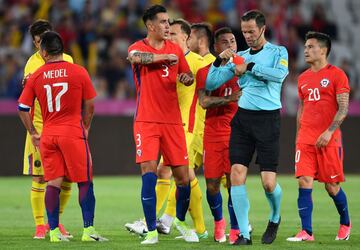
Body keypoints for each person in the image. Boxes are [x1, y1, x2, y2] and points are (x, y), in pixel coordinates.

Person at [206, 10, 289, 245]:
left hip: (268, 120)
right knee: (236, 174)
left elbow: (280, 75)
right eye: (244, 32)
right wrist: (219, 60)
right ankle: (243, 234)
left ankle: (274, 218)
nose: (248, 36)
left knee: (268, 182)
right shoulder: (238, 56)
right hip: (243, 120)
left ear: (263, 29)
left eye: (251, 31)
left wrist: (250, 67)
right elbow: (211, 82)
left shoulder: (277, 52)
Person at [18, 31, 107, 242]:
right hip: (72, 132)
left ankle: (55, 233)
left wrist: (32, 131)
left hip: (48, 135)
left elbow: (22, 107)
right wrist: (85, 126)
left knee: (53, 183)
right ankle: (88, 231)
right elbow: (91, 104)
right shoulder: (78, 71)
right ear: (62, 49)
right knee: (84, 181)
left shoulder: (36, 75)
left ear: (43, 51)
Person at [125, 18, 207, 240]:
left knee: (183, 178)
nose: (167, 27)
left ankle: (179, 221)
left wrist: (186, 78)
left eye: (169, 23)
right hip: (147, 121)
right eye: (162, 22)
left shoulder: (178, 51)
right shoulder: (139, 46)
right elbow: (133, 57)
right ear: (151, 26)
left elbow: (188, 76)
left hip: (174, 123)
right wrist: (163, 58)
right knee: (149, 172)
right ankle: (151, 230)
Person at [287, 31, 351, 242]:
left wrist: (330, 131)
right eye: (305, 47)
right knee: (304, 180)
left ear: (323, 50)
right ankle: (307, 232)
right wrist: (298, 135)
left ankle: (345, 223)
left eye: (310, 46)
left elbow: (343, 108)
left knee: (331, 187)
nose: (305, 50)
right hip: (305, 139)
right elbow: (302, 107)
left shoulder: (337, 74)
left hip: (329, 140)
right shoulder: (303, 78)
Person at [155, 18, 207, 238]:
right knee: (185, 175)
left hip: (190, 126)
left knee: (170, 171)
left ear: (187, 36)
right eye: (168, 33)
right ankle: (201, 229)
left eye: (174, 33)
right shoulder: (169, 60)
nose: (169, 36)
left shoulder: (198, 62)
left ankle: (154, 220)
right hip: (171, 125)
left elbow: (208, 94)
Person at [22, 19, 73, 239]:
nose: (42, 45)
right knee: (41, 178)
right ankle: (40, 225)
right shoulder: (32, 64)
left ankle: (56, 221)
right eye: (38, 41)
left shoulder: (68, 59)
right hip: (41, 127)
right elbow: (25, 100)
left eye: (45, 39)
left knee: (69, 178)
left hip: (64, 126)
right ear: (35, 44)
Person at [197, 27, 241, 244]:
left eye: (233, 41)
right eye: (225, 42)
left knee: (235, 183)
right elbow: (204, 102)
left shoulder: (241, 70)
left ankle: (235, 228)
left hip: (236, 134)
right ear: (216, 47)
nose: (230, 45)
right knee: (212, 184)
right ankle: (218, 222)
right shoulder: (205, 72)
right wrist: (231, 98)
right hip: (212, 134)